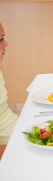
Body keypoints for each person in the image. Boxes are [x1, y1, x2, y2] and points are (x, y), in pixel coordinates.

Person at [0, 23, 18, 159]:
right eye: (1, 40)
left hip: (15, 136)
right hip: (10, 146)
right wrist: (16, 147)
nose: (6, 44)